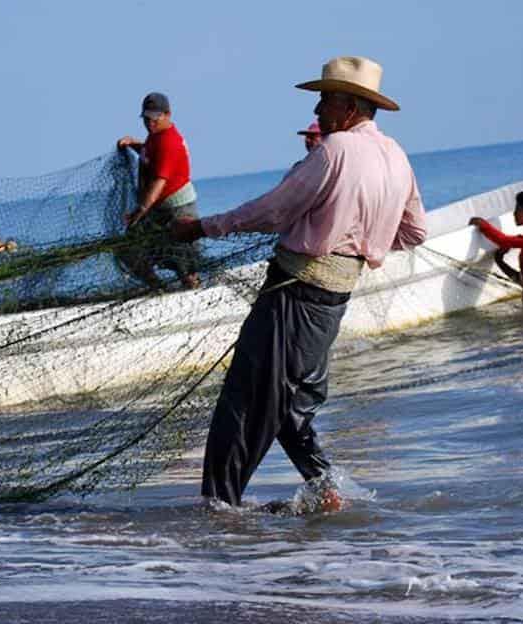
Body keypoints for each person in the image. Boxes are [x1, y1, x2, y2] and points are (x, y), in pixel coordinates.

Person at [171, 56, 427, 510]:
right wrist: (363, 239)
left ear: (350, 107)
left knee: (245, 402)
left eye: (325, 100)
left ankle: (219, 511)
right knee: (289, 405)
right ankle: (328, 490)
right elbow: (413, 233)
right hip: (332, 300)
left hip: (294, 294)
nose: (319, 111)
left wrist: (203, 227)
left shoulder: (335, 151)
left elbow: (274, 211)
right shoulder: (396, 156)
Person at [116, 92, 202, 289]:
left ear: (168, 114)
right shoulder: (155, 137)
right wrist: (134, 144)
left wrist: (141, 210)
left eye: (155, 118)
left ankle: (195, 293)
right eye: (146, 118)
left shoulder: (169, 141)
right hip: (158, 210)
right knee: (127, 250)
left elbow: (159, 182)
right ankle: (159, 289)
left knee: (184, 262)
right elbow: (150, 154)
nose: (150, 123)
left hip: (178, 209)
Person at [469, 190, 523, 306]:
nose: (514, 213)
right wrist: (499, 261)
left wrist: (483, 225)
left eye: (518, 210)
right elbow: (522, 280)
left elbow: (504, 240)